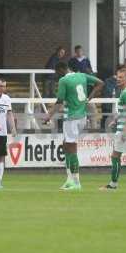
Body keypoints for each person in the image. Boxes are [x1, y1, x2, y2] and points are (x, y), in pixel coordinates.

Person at [43, 62, 103, 190]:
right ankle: (69, 179)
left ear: (61, 70)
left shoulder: (64, 80)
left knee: (71, 148)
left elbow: (59, 102)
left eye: (57, 72)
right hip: (82, 116)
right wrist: (88, 99)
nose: (57, 75)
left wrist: (48, 116)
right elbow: (100, 83)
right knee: (66, 145)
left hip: (71, 118)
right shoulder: (82, 75)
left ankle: (76, 182)